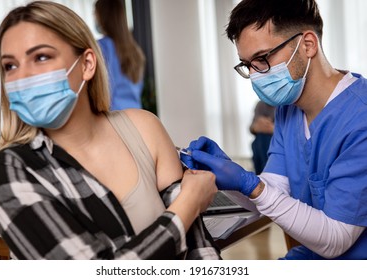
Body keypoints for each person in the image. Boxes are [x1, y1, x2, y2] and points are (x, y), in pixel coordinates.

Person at [0, 1, 220, 260]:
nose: (23, 76)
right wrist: (190, 202)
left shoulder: (145, 128)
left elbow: (199, 250)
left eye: (41, 57)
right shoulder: (9, 170)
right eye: (10, 66)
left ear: (87, 64)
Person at [181, 0, 367, 259]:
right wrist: (232, 177)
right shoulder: (288, 109)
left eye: (262, 58)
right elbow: (274, 190)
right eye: (248, 65)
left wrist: (250, 185)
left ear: (308, 45)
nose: (256, 75)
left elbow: (336, 239)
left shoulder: (361, 119)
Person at [94, 0, 145, 110]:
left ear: (103, 16)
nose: (94, 17)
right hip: (136, 115)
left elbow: (102, 90)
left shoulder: (101, 47)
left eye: (95, 13)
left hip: (114, 118)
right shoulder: (135, 50)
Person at [249, 101, 275, 174]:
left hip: (276, 138)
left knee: (264, 138)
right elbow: (252, 128)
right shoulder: (261, 104)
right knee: (260, 139)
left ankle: (263, 174)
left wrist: (274, 129)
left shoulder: (288, 104)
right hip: (261, 140)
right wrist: (257, 126)